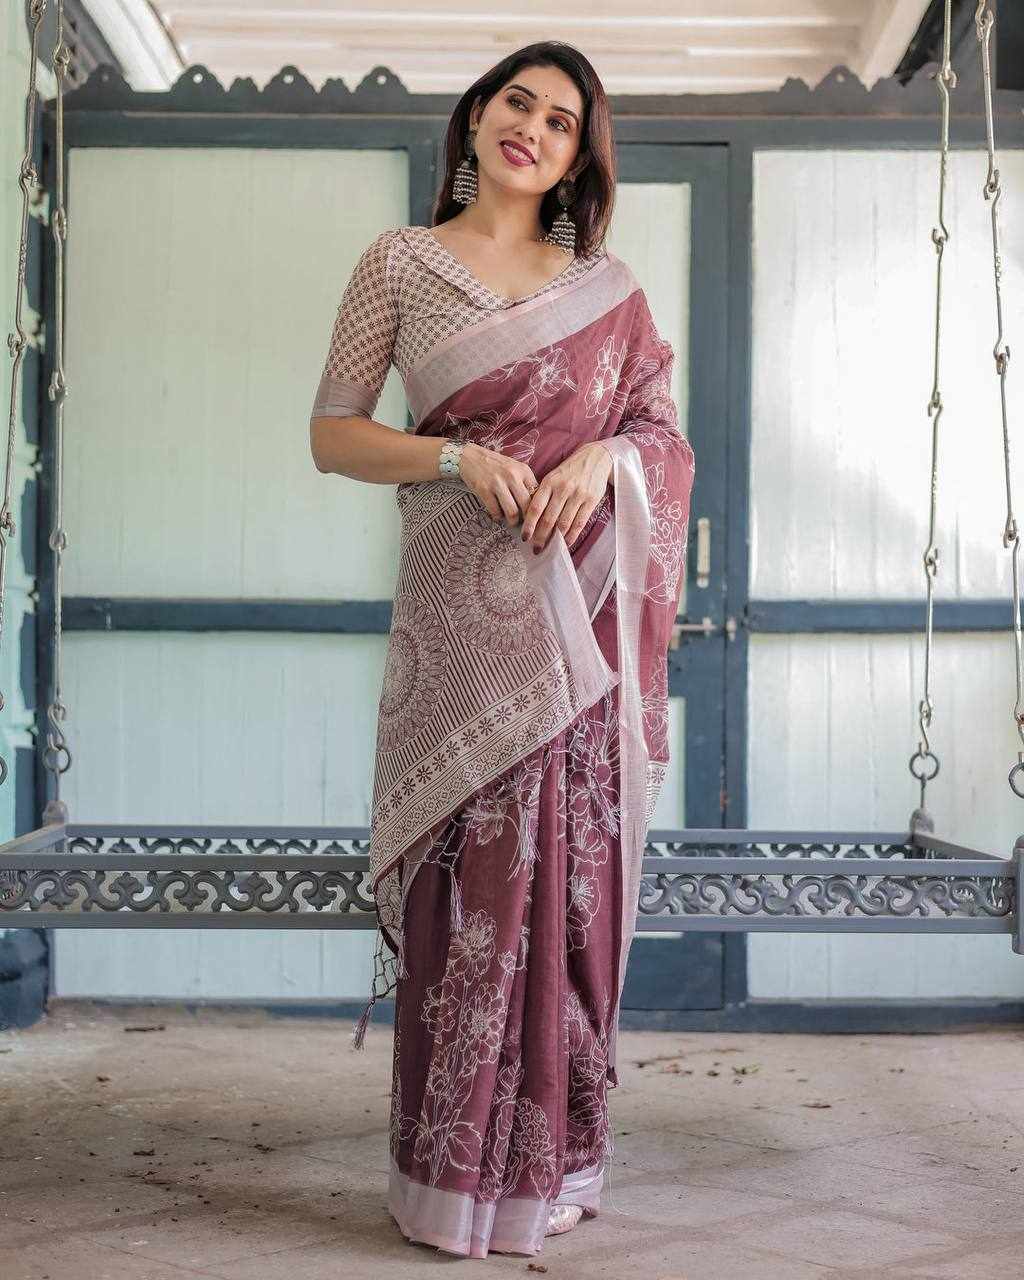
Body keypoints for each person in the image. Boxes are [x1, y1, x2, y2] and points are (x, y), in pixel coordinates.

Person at [308, 39, 695, 1260]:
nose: (531, 127)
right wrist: (453, 456)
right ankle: (446, 1178)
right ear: (475, 118)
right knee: (463, 897)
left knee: (562, 893)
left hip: (576, 637)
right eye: (515, 102)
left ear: (579, 158)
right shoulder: (400, 262)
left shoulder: (608, 291)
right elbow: (332, 433)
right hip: (457, 632)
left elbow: (662, 435)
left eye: (561, 120)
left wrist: (606, 456)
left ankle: (550, 1167)